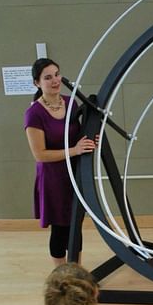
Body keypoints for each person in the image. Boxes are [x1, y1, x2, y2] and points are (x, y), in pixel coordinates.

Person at [24, 58, 96, 265]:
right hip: (53, 179)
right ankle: (61, 275)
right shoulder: (34, 114)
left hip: (74, 173)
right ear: (37, 83)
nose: (55, 80)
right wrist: (75, 150)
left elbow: (79, 138)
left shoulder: (70, 102)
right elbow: (40, 155)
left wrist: (92, 140)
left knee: (76, 224)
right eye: (48, 77)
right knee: (60, 229)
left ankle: (76, 270)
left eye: (57, 74)